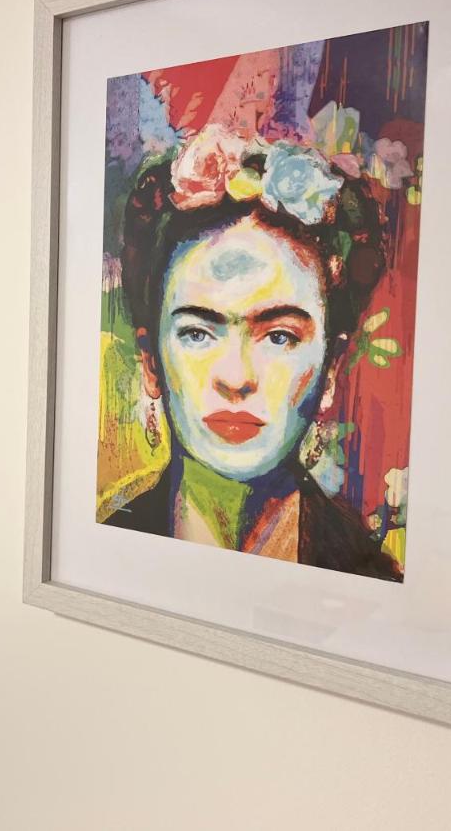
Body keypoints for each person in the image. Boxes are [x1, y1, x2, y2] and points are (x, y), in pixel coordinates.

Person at [102, 126, 403, 582]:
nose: (236, 377)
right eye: (198, 333)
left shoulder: (370, 577)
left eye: (279, 337)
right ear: (151, 363)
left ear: (331, 369)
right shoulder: (107, 553)